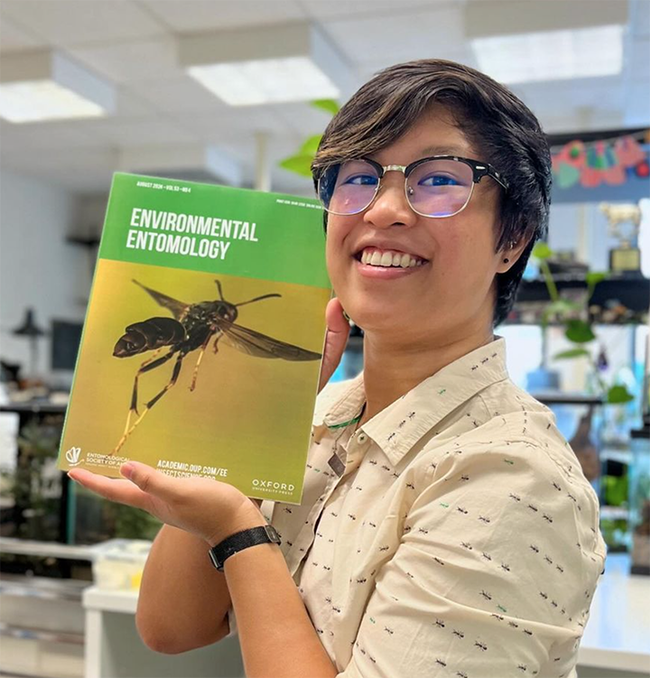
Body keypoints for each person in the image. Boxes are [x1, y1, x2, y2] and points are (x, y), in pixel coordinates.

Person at [69, 59, 606, 678]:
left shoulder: (513, 476)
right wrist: (251, 441)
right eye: (358, 177)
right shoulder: (320, 414)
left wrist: (238, 530)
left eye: (437, 180)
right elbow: (170, 627)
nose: (383, 209)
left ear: (512, 237)